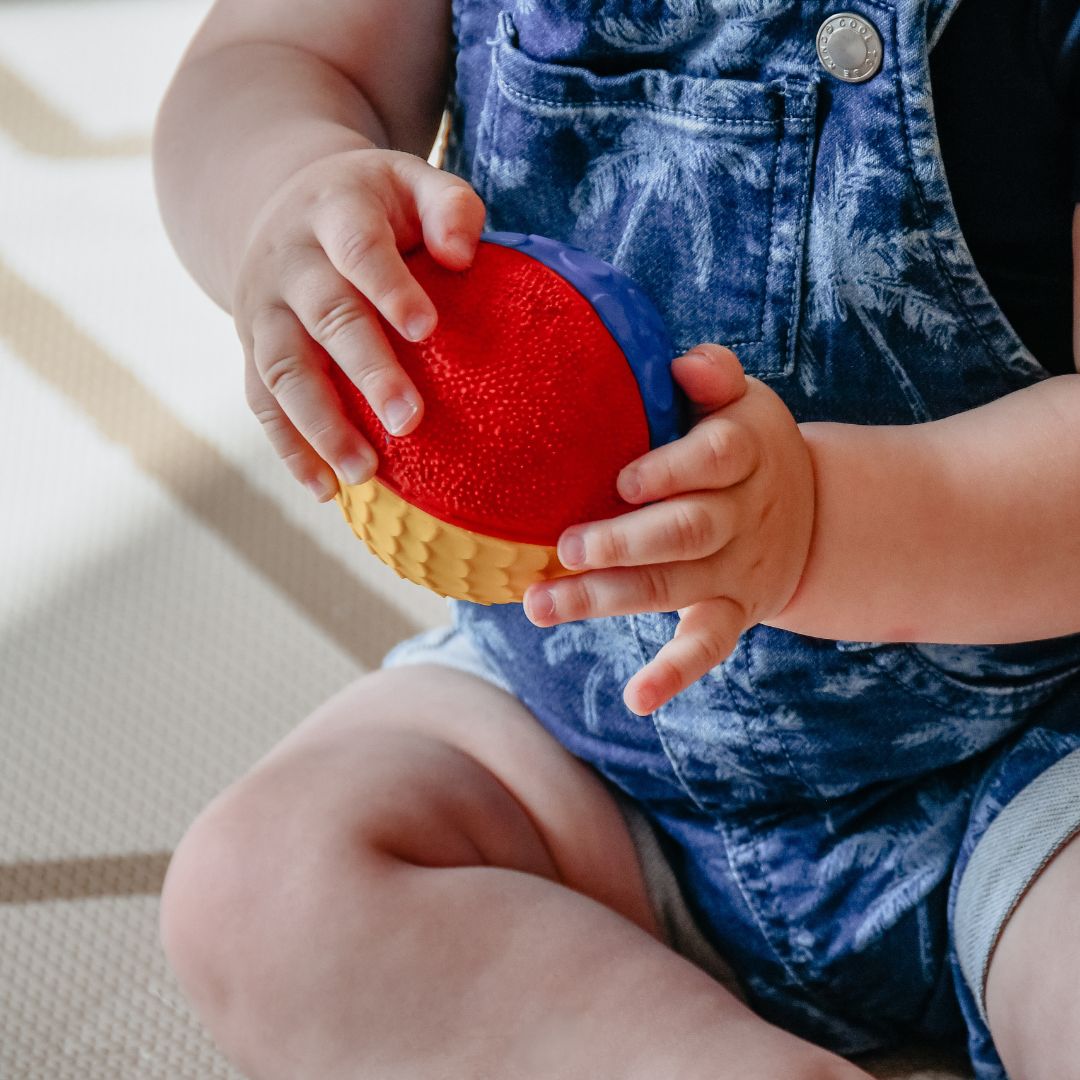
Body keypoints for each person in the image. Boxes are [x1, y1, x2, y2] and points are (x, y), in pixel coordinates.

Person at [152, 0, 1080, 1076]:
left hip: (1022, 761)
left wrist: (823, 523)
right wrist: (287, 197)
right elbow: (273, 56)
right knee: (261, 889)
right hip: (574, 725)